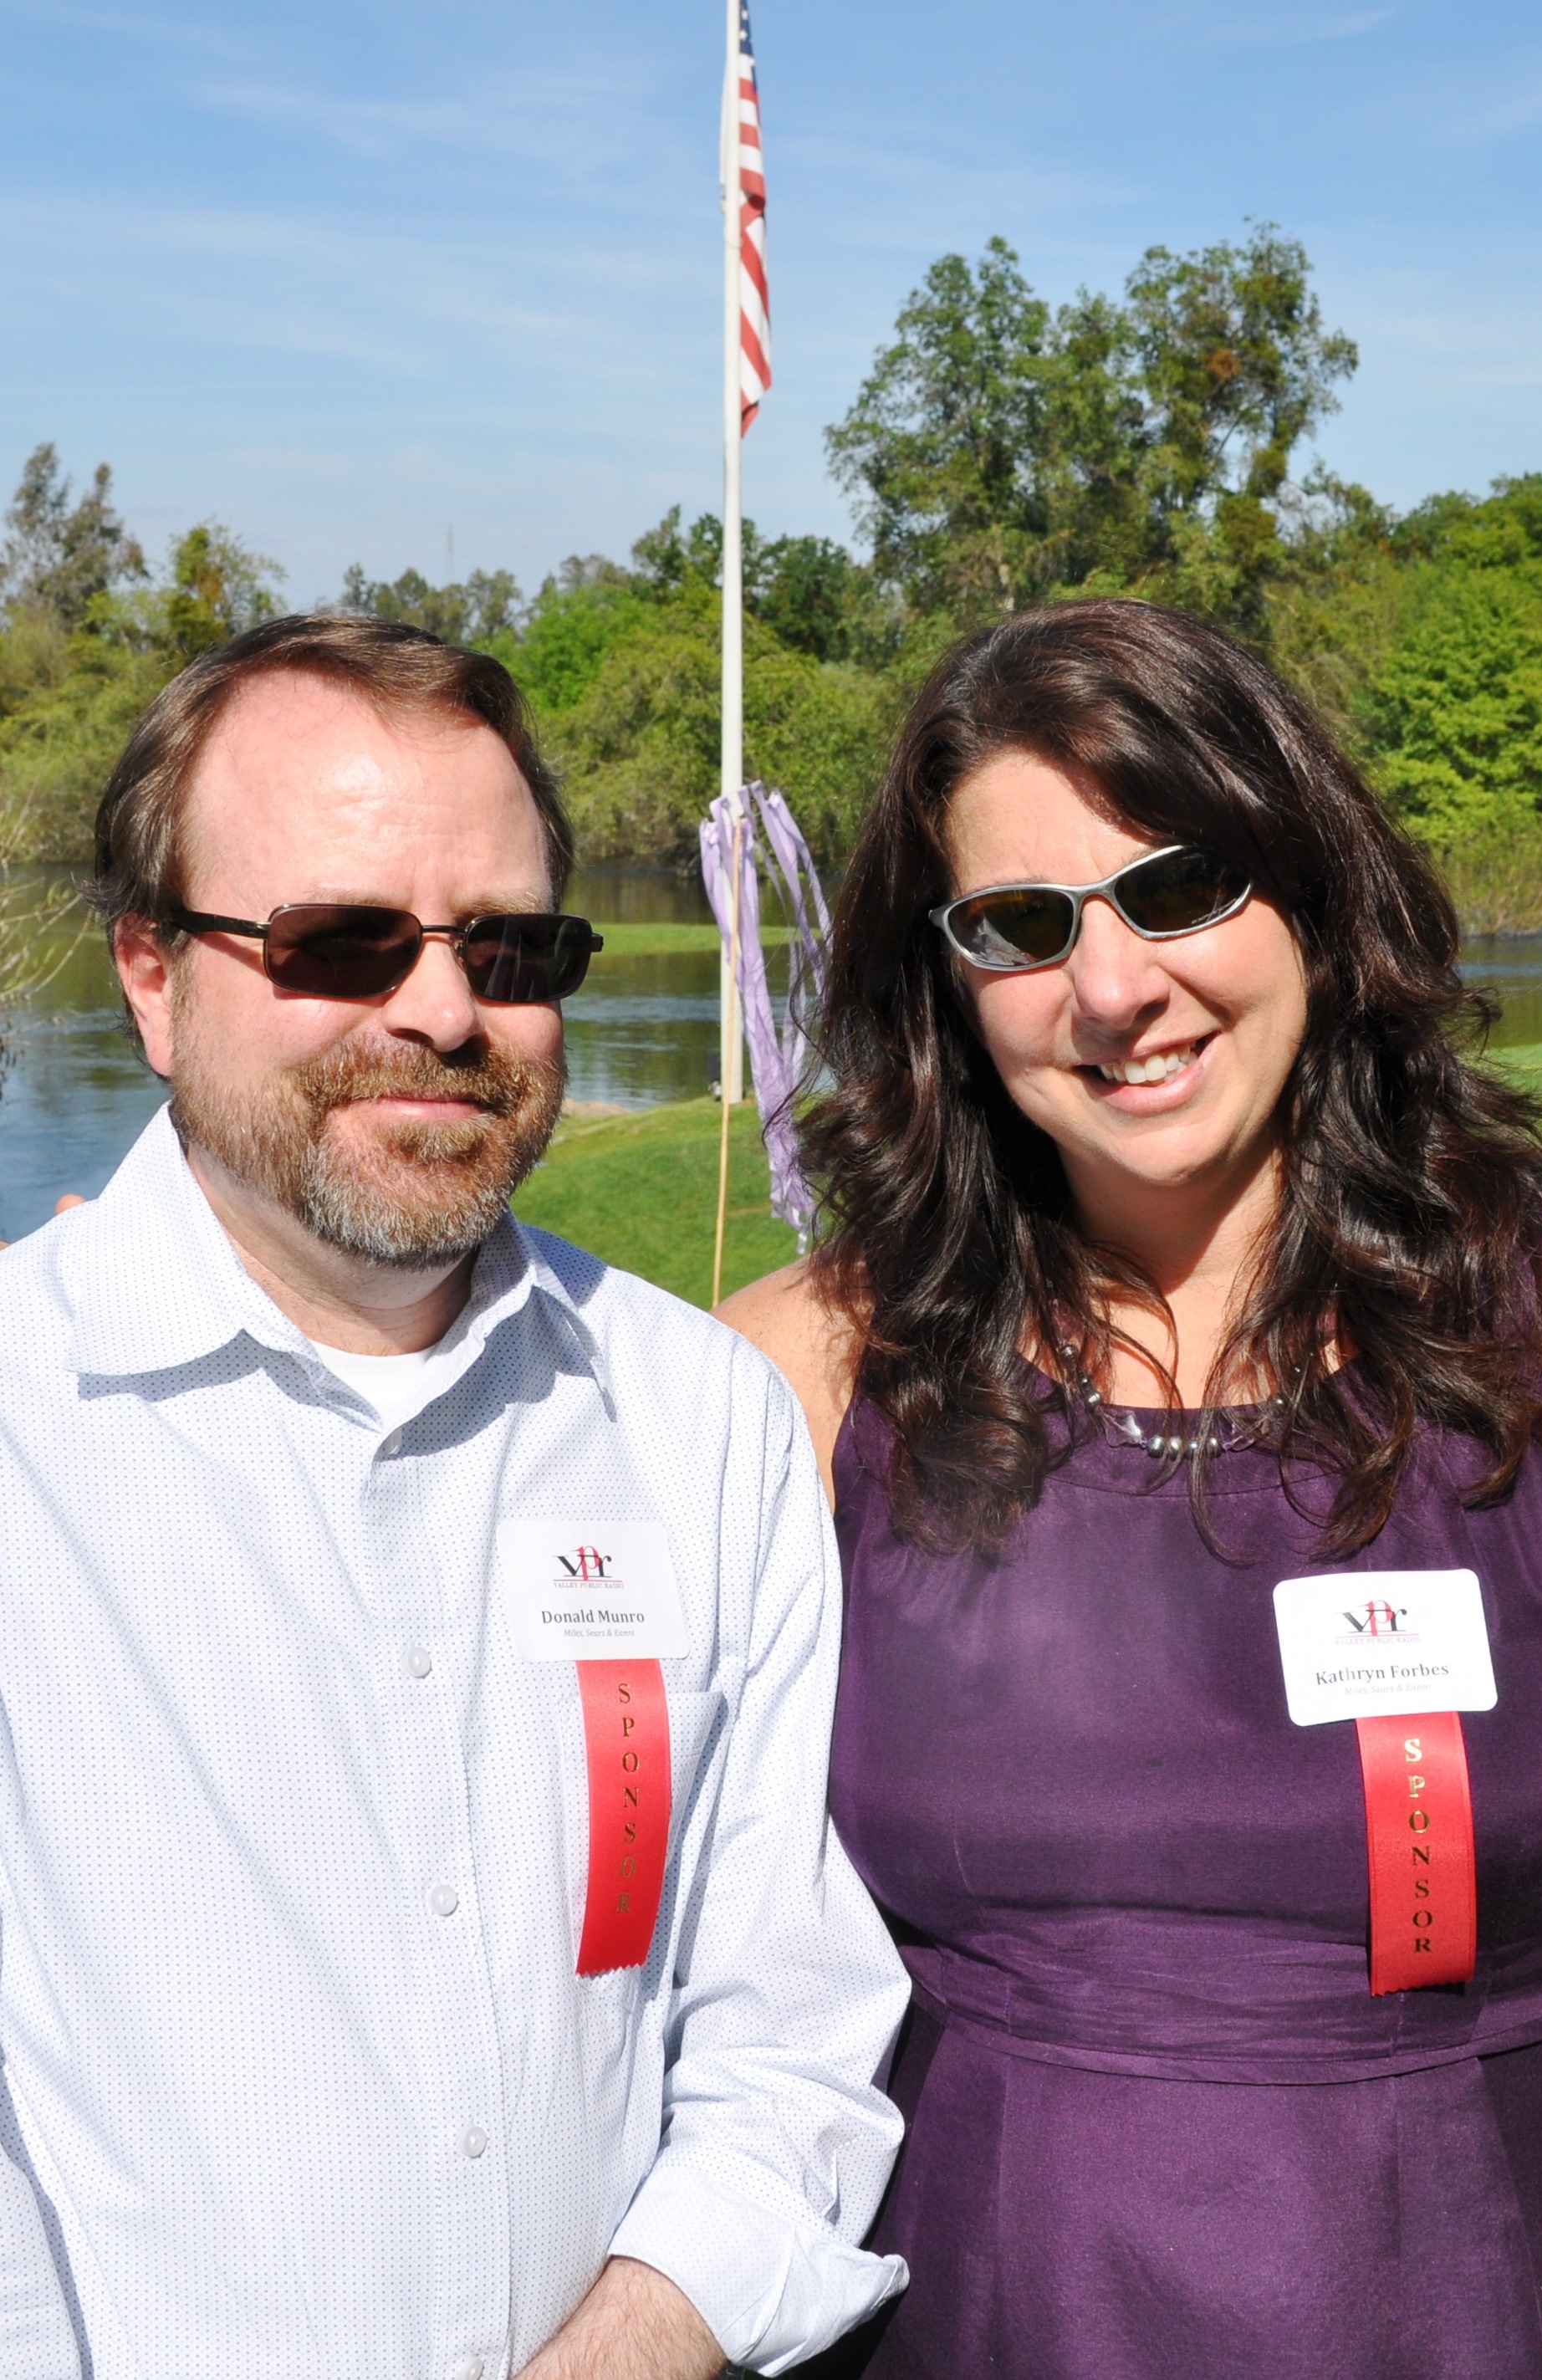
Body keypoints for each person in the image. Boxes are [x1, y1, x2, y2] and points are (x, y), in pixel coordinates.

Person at [0, 614, 908, 2380]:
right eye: (339, 942)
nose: (438, 1009)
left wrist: (627, 2346)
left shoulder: (699, 1422)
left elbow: (790, 2030)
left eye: (506, 946)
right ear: (151, 975)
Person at [722, 600, 1542, 2380]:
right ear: (944, 984)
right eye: (1021, 925)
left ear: (1314, 893)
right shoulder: (800, 1372)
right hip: (980, 2317)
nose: (1111, 989)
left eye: (1179, 887)